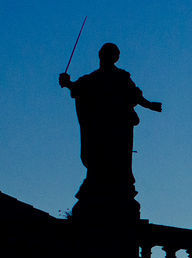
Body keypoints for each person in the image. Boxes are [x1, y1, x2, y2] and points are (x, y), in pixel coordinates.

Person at [59, 43, 161, 205]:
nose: (109, 58)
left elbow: (134, 95)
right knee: (99, 159)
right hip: (100, 127)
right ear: (101, 56)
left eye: (112, 55)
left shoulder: (121, 77)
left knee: (117, 160)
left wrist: (150, 105)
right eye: (106, 54)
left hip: (118, 127)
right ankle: (99, 188)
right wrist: (67, 83)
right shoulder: (92, 78)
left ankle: (116, 189)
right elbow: (78, 88)